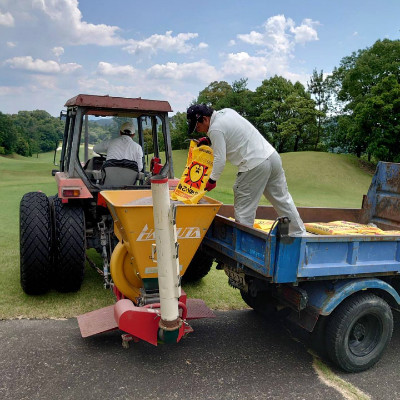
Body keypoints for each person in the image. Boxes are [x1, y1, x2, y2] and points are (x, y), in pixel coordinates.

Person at [186, 104, 305, 236]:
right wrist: (209, 140)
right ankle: (298, 235)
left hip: (254, 165)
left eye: (197, 126)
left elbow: (220, 158)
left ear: (205, 119)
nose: (198, 130)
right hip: (272, 157)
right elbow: (232, 133)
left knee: (244, 208)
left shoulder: (215, 129)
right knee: (282, 200)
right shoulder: (227, 112)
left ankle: (245, 244)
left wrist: (212, 180)